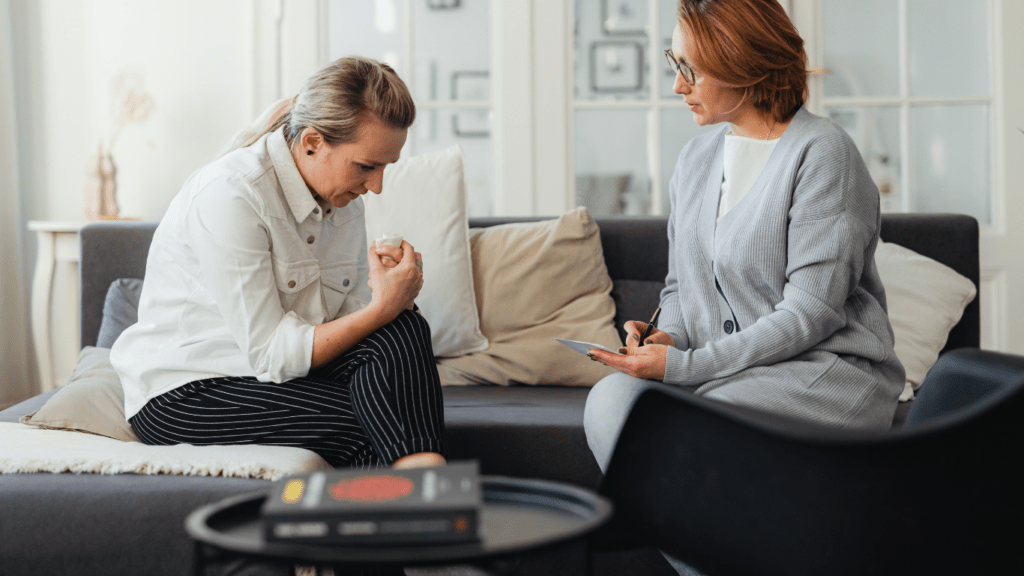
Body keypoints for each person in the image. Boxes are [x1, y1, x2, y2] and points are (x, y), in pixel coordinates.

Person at [585, 0, 905, 475]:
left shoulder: (823, 153)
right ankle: (725, 552)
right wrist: (669, 337)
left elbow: (809, 314)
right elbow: (679, 287)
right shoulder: (694, 160)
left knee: (701, 420)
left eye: (691, 70)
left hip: (819, 371)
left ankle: (724, 547)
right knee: (611, 399)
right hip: (726, 373)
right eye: (676, 66)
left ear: (743, 65)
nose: (678, 87)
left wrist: (683, 368)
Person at [111, 56, 446, 470]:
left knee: (405, 326)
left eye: (385, 168)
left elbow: (355, 321)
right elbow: (271, 353)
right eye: (366, 166)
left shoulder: (343, 199)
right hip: (187, 388)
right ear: (311, 143)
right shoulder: (232, 195)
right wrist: (382, 308)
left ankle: (425, 489)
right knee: (369, 422)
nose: (375, 186)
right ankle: (426, 499)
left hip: (277, 376)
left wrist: (395, 294)